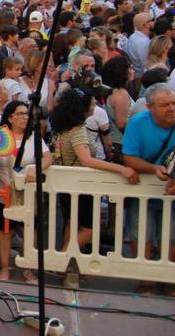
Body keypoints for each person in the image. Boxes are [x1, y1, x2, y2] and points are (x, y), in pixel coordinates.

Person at [50, 88, 137, 252]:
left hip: (65, 183)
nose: (95, 106)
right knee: (89, 229)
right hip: (80, 185)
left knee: (72, 222)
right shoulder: (77, 130)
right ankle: (62, 260)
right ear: (83, 108)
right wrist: (121, 169)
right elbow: (86, 160)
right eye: (92, 103)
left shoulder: (63, 128)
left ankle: (69, 266)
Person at [0, 101, 52, 282]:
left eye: (27, 114)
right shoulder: (0, 136)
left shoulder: (34, 137)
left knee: (30, 230)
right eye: (20, 114)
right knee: (5, 230)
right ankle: (4, 268)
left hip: (28, 194)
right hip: (5, 192)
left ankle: (28, 270)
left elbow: (48, 157)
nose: (25, 117)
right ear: (10, 117)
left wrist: (37, 168)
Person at [121, 83, 175, 273]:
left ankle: (167, 279)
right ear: (150, 107)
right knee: (141, 234)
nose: (171, 108)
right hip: (142, 189)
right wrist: (153, 168)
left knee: (171, 236)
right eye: (165, 105)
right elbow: (129, 157)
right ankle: (145, 279)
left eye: (174, 103)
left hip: (171, 192)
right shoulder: (138, 122)